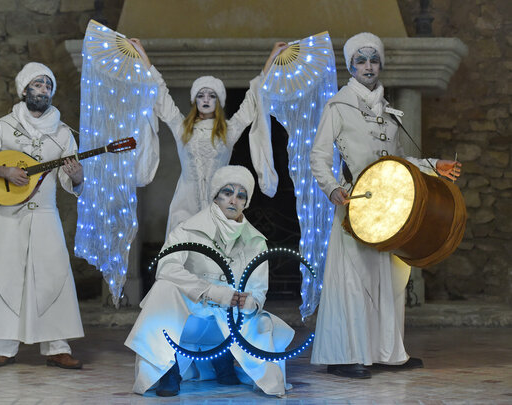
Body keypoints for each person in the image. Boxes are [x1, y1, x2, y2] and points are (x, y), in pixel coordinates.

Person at [309, 32, 461, 379]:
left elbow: (400, 160)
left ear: (380, 65)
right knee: (354, 279)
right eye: (360, 60)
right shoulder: (338, 106)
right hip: (356, 204)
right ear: (350, 66)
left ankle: (388, 352)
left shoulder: (390, 112)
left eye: (373, 60)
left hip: (391, 208)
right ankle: (346, 354)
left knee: (392, 276)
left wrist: (435, 164)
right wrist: (333, 188)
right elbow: (317, 156)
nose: (367, 66)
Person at [125, 165, 294, 397]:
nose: (233, 200)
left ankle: (225, 359)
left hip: (229, 321)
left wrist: (249, 301)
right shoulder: (187, 229)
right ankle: (168, 369)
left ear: (246, 203)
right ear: (215, 195)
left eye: (241, 195)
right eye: (227, 192)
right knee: (163, 289)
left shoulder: (255, 241)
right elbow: (166, 266)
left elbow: (258, 289)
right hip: (191, 319)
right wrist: (209, 291)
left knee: (261, 322)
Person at [0, 62, 85, 369]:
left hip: (46, 214)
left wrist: (77, 176)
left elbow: (67, 180)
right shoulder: (3, 127)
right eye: (38, 84)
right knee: (5, 276)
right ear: (24, 90)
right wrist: (1, 170)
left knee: (52, 277)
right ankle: (3, 346)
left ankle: (57, 347)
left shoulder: (61, 133)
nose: (43, 89)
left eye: (48, 85)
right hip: (9, 214)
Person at [129, 39, 286, 236]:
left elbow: (252, 100)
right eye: (201, 95)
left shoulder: (228, 130)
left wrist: (271, 59)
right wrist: (143, 56)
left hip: (219, 209)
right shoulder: (183, 128)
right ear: (194, 101)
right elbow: (160, 94)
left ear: (218, 102)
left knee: (215, 262)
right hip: (184, 209)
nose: (205, 99)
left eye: (211, 96)